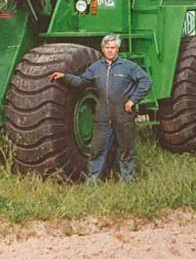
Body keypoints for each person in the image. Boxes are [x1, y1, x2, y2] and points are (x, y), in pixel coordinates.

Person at [49, 35, 152, 183]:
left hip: (124, 114)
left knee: (126, 149)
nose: (110, 50)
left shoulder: (129, 66)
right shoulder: (96, 67)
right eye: (107, 48)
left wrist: (133, 100)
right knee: (97, 149)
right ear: (102, 49)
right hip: (103, 116)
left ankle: (128, 180)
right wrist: (65, 76)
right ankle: (93, 180)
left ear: (118, 49)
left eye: (113, 48)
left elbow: (146, 81)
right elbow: (81, 81)